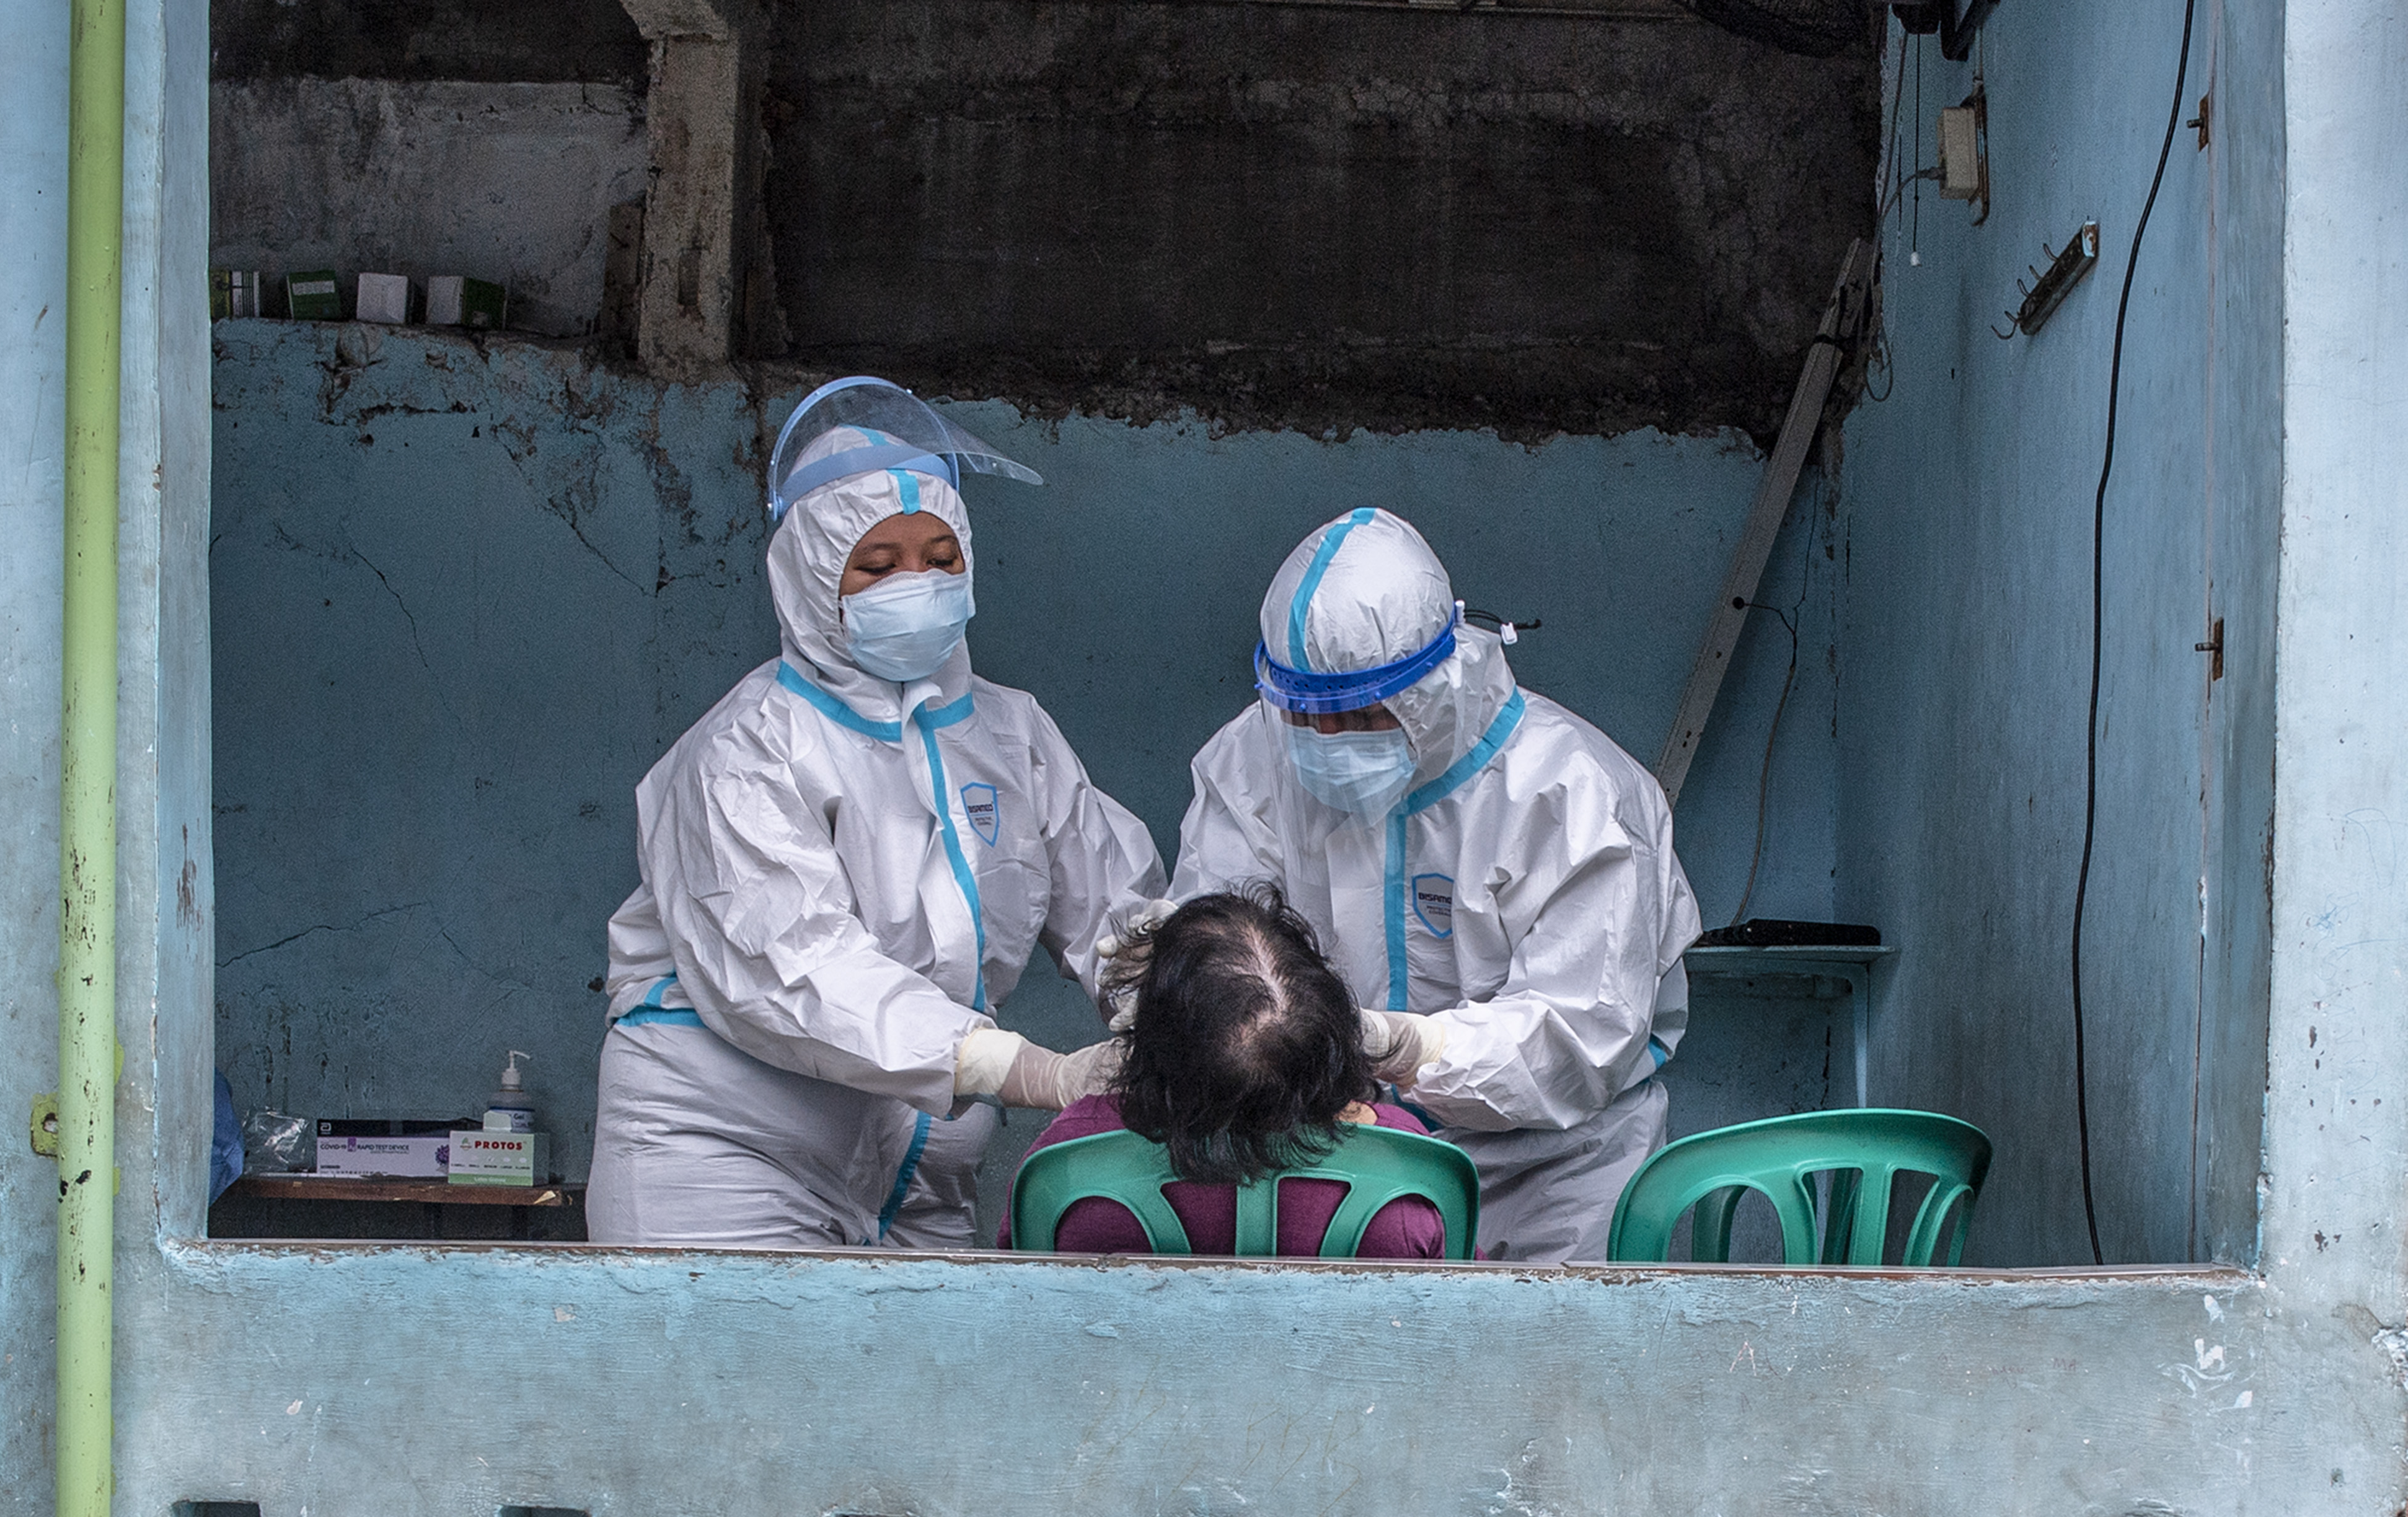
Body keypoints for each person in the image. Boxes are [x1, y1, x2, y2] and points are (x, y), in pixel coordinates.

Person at [588, 377, 1167, 1254]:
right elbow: (800, 970)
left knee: (915, 1391)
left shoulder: (1014, 736)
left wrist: (1194, 1010)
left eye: (940, 556)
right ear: (814, 578)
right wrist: (1030, 1069)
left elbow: (1118, 915)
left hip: (922, 1165)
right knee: (720, 1387)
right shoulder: (745, 751)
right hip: (721, 1150)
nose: (916, 582)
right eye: (877, 563)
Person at [1169, 507, 1701, 1264]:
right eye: (1305, 714)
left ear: (1434, 684)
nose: (1327, 742)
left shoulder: (1573, 795)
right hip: (1343, 1159)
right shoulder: (1250, 762)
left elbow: (1579, 1039)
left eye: (1358, 716)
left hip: (1553, 1172)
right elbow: (1214, 947)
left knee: (1544, 1377)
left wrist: (1402, 1045)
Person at [1003, 884, 1446, 1258]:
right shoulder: (1408, 1166)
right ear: (1333, 1028)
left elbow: (1007, 1291)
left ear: (1147, 1041)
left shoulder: (1072, 1155)